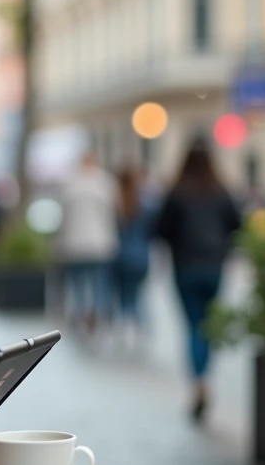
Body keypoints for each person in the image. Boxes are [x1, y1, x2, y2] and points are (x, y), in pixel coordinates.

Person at [154, 139, 242, 422]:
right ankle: (205, 379)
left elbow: (160, 229)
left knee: (194, 327)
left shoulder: (177, 192)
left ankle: (199, 382)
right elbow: (237, 224)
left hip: (185, 267)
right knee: (208, 327)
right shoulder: (220, 191)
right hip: (213, 267)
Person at [56, 151, 119, 335]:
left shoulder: (71, 182)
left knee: (77, 286)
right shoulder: (105, 182)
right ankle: (96, 317)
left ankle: (80, 317)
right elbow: (114, 212)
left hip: (74, 244)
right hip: (100, 243)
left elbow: (63, 215)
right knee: (99, 284)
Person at [114, 165, 157, 345]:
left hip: (120, 256)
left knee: (124, 295)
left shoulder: (116, 203)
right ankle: (140, 327)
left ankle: (126, 327)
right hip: (141, 256)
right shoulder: (145, 203)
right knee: (138, 294)